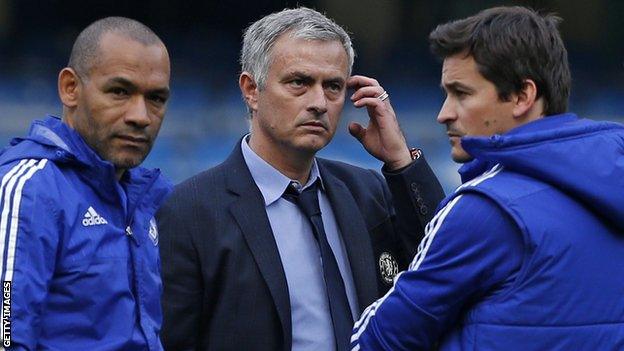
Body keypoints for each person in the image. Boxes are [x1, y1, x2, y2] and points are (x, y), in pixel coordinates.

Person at [157, 7, 444, 351]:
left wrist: (401, 162)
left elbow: (443, 268)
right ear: (251, 89)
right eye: (299, 82)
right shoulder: (189, 209)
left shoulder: (368, 192)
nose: (319, 103)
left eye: (333, 86)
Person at [351, 6, 624, 350]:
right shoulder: (611, 187)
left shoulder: (486, 209)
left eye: (461, 93)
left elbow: (379, 341)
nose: (443, 114)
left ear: (523, 96)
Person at [0, 17, 172, 350]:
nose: (141, 116)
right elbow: (5, 336)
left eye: (156, 98)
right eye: (120, 92)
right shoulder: (31, 190)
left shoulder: (146, 197)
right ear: (70, 89)